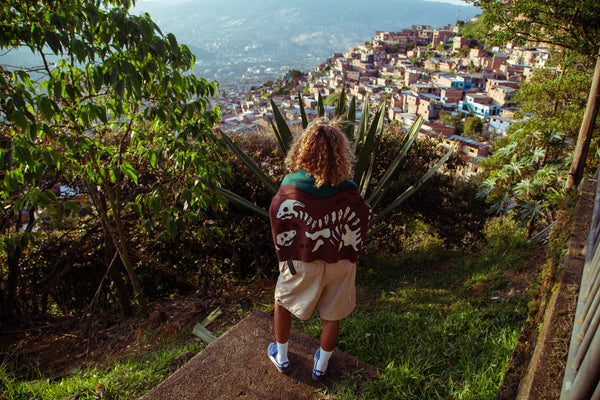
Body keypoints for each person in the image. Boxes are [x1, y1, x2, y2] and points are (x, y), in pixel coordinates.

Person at [268, 118, 371, 380]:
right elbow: (362, 215)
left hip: (302, 260)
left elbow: (277, 215)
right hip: (340, 259)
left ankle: (281, 358)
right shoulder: (349, 189)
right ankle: (321, 366)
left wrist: (287, 255)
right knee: (332, 313)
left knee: (282, 302)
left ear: (304, 149)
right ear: (340, 153)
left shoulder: (291, 184)